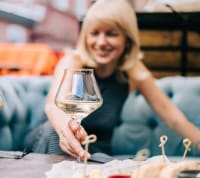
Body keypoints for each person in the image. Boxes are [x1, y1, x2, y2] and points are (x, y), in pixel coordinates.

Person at [26, 0, 200, 160]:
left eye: (111, 34)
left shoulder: (133, 71)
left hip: (94, 151)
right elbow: (54, 106)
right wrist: (66, 132)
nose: (101, 42)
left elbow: (174, 119)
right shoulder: (74, 61)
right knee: (56, 133)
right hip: (50, 137)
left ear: (127, 39)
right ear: (85, 37)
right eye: (94, 33)